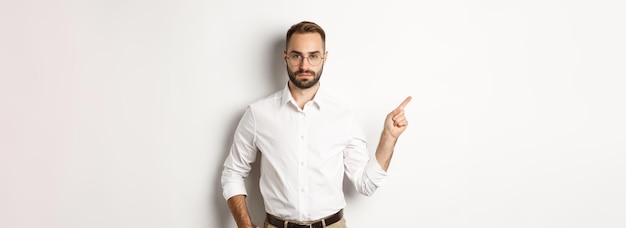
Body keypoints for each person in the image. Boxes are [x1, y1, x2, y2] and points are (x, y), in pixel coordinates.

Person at [221, 21, 411, 228]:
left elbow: (366, 185)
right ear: (285, 57)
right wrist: (245, 225)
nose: (304, 65)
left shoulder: (343, 117)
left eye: (313, 56)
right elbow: (233, 172)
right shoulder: (258, 114)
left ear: (324, 58)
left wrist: (388, 138)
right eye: (296, 56)